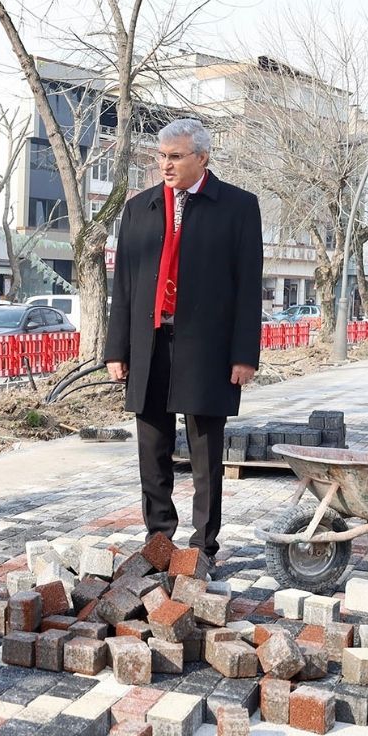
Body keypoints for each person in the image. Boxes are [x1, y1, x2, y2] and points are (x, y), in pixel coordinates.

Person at [105, 118, 263, 564]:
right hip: (150, 343)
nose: (166, 165)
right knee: (151, 447)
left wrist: (244, 355)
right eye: (161, 156)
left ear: (202, 158)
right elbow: (125, 285)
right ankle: (159, 538)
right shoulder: (139, 208)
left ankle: (202, 546)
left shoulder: (237, 206)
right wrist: (117, 349)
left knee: (205, 453)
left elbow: (248, 287)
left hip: (208, 348)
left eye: (175, 157)